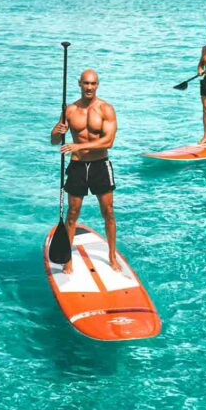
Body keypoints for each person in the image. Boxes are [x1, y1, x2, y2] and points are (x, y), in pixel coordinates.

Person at [50, 69, 120, 274]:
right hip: (78, 167)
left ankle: (112, 256)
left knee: (108, 212)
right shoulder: (70, 110)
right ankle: (68, 260)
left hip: (100, 165)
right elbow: (54, 141)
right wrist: (56, 133)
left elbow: (109, 141)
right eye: (86, 83)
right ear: (79, 84)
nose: (89, 87)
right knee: (72, 213)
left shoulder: (106, 109)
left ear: (97, 85)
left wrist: (78, 147)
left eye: (93, 84)